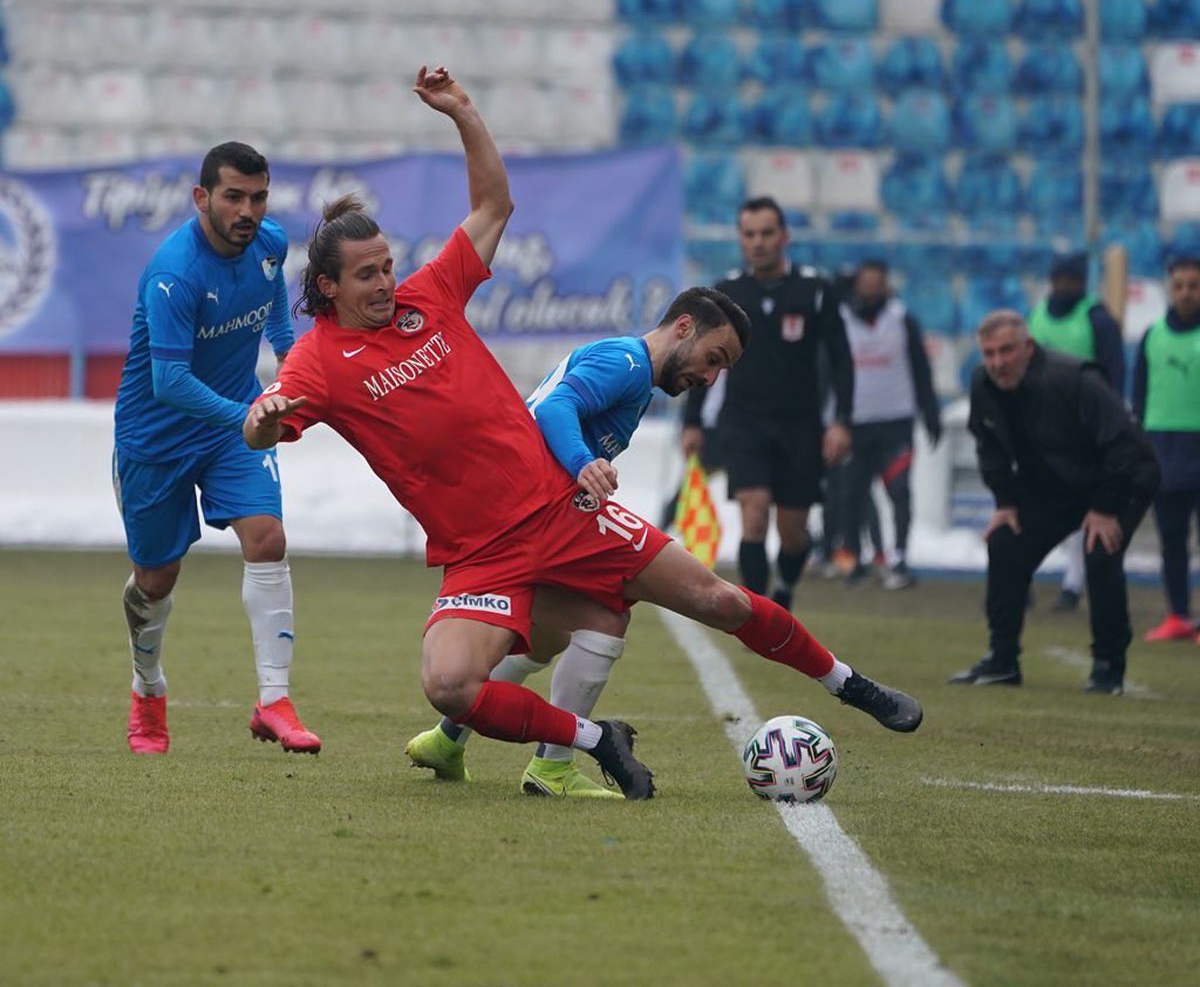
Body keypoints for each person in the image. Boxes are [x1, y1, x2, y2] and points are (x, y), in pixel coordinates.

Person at [244, 67, 922, 801]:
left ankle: (850, 685)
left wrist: (464, 111)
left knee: (718, 603)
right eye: (367, 276)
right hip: (481, 550)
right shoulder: (316, 360)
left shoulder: (428, 296)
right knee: (450, 683)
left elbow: (495, 204)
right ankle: (588, 743)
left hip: (559, 511)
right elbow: (265, 425)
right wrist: (260, 420)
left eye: (387, 267)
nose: (385, 283)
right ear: (328, 288)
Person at [406, 285, 753, 798]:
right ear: (684, 327)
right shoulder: (629, 364)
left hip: (524, 514)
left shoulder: (631, 372)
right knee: (606, 615)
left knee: (545, 637)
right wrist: (581, 464)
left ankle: (448, 741)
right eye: (713, 359)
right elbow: (555, 409)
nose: (709, 376)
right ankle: (552, 768)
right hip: (532, 519)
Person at [113, 142, 319, 756]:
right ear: (202, 197)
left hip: (232, 430)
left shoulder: (271, 242)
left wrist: (287, 358)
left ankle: (274, 701)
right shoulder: (175, 273)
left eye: (258, 196)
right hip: (156, 439)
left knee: (269, 539)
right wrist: (250, 414)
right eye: (233, 196)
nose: (248, 210)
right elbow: (168, 382)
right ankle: (147, 687)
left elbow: (273, 295)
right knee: (156, 578)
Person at [949, 311, 1159, 694]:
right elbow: (989, 444)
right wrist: (1006, 502)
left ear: (1028, 347)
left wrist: (1105, 507)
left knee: (1100, 550)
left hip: (1123, 478)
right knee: (1005, 542)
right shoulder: (983, 384)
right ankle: (1002, 661)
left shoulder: (1076, 379)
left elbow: (1125, 446)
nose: (998, 362)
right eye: (990, 353)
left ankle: (1109, 667)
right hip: (1056, 485)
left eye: (1007, 351)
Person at [681, 197, 854, 611]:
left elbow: (842, 359)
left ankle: (786, 589)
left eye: (766, 233)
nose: (758, 242)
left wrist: (841, 421)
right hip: (744, 422)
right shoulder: (725, 293)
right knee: (753, 514)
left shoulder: (815, 290)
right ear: (741, 239)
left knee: (792, 531)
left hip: (801, 425)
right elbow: (703, 358)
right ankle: (760, 613)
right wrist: (692, 421)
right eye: (749, 234)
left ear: (784, 237)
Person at [1028, 251, 1127, 613]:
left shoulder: (1097, 320)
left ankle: (1072, 584)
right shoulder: (1036, 317)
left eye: (1072, 280)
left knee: (1077, 516)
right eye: (1060, 280)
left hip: (1082, 433)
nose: (1064, 287)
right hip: (1040, 429)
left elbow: (1113, 377)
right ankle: (1022, 579)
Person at [839, 258, 942, 590]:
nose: (871, 289)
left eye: (877, 282)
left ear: (886, 285)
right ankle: (854, 557)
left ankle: (898, 557)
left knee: (899, 490)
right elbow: (827, 372)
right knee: (853, 493)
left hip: (896, 422)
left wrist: (931, 414)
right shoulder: (840, 321)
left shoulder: (902, 321)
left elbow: (921, 369)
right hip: (854, 424)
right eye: (865, 282)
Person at [1132, 254, 1200, 643]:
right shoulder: (1152, 337)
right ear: (1169, 289)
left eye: (1194, 285)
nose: (1187, 293)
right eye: (1180, 285)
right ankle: (1178, 615)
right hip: (1165, 452)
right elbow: (1140, 396)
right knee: (1172, 541)